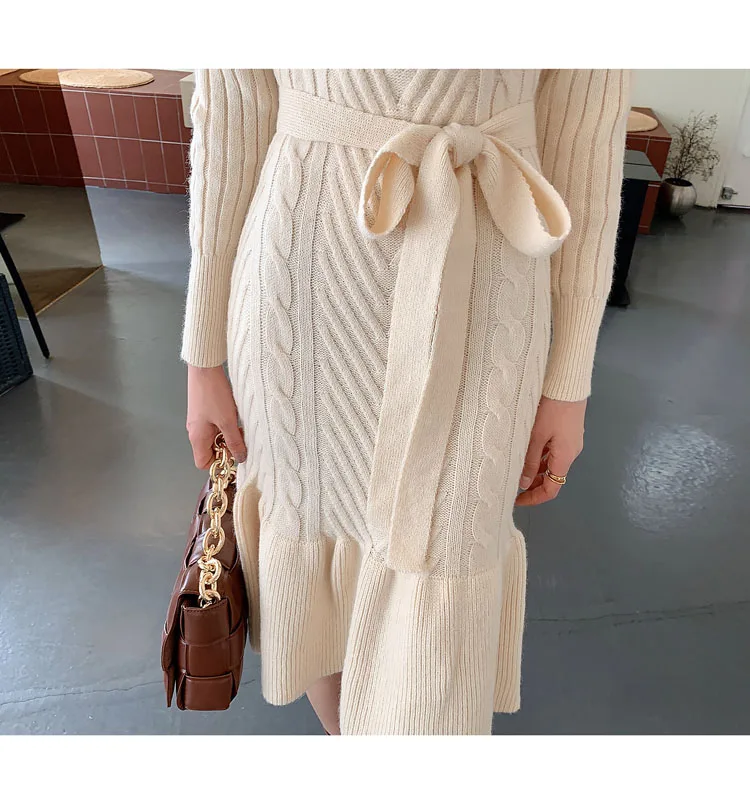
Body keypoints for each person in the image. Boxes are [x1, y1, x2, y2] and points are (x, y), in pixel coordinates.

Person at [182, 69, 631, 735]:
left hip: (487, 287)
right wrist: (204, 354)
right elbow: (230, 118)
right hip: (300, 285)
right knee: (314, 534)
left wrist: (568, 385)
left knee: (446, 552)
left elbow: (586, 154)